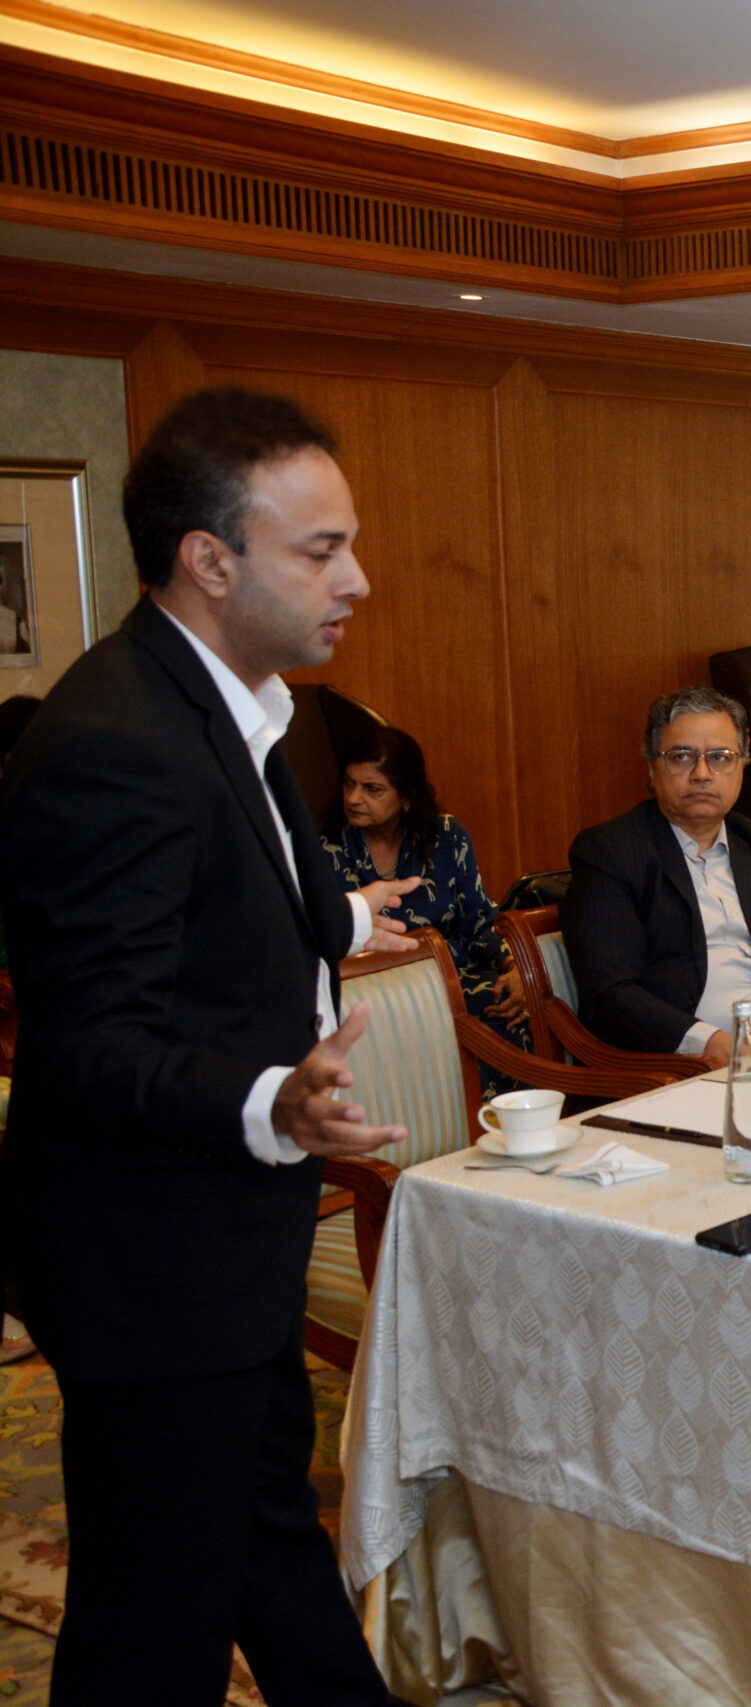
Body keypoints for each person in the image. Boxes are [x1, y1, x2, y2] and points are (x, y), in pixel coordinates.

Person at [0, 387, 415, 1703]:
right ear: (210, 558)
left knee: (264, 1554)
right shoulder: (114, 742)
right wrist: (272, 1100)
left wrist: (344, 915)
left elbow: (231, 889)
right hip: (149, 1262)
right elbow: (82, 1044)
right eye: (320, 549)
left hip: (220, 1245)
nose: (356, 576)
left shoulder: (240, 702)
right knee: (149, 1631)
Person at [564, 687, 751, 1063]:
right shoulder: (610, 852)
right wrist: (712, 1044)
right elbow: (611, 994)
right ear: (652, 769)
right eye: (682, 756)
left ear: (742, 767)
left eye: (720, 758)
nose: (702, 774)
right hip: (673, 1067)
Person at [324, 722, 525, 1041]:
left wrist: (515, 965)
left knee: (510, 1007)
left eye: (372, 789)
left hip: (455, 983)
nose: (354, 798)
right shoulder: (325, 850)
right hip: (377, 998)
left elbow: (479, 924)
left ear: (407, 798)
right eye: (349, 784)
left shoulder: (445, 836)